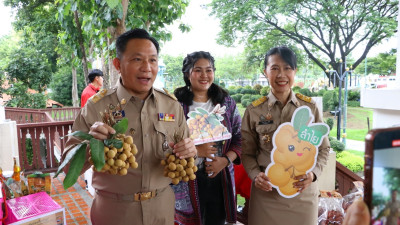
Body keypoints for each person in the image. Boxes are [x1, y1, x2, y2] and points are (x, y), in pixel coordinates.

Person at [61, 28, 197, 225]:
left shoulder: (171, 105)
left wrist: (190, 151)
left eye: (152, 60)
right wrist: (92, 146)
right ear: (118, 64)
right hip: (114, 212)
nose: (147, 67)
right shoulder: (96, 107)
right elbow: (67, 169)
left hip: (162, 209)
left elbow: (189, 153)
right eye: (137, 59)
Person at [241, 46, 331, 225]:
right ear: (265, 72)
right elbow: (247, 153)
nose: (281, 74)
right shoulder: (254, 110)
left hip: (302, 194)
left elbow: (324, 148)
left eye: (287, 68)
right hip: (266, 195)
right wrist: (255, 175)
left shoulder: (309, 108)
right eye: (274, 68)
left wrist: (313, 175)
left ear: (295, 71)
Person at [172, 51, 242, 225]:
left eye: (209, 70)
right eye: (198, 70)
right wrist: (196, 151)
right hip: (186, 178)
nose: (204, 75)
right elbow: (165, 142)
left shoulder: (226, 103)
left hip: (220, 177)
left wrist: (225, 160)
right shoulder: (175, 104)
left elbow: (240, 137)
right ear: (188, 74)